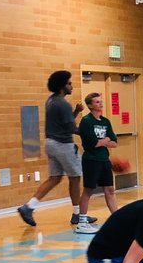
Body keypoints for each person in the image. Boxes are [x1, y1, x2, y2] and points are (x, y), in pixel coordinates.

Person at [16, 70, 93, 231]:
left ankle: (29, 207)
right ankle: (77, 214)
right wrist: (89, 133)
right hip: (63, 145)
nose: (72, 86)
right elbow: (70, 127)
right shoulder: (63, 104)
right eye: (69, 83)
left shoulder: (51, 101)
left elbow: (63, 122)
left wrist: (76, 112)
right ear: (62, 85)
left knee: (55, 178)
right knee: (75, 178)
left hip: (50, 143)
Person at [76, 92, 119, 235]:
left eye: (101, 101)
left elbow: (114, 143)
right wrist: (105, 140)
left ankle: (117, 219)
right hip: (91, 160)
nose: (100, 103)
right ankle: (82, 222)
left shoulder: (105, 121)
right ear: (90, 105)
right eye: (97, 102)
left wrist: (104, 142)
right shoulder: (86, 121)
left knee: (110, 190)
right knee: (88, 190)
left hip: (104, 159)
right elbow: (93, 143)